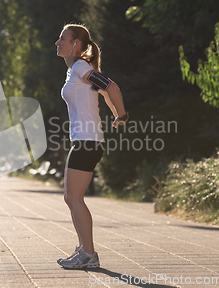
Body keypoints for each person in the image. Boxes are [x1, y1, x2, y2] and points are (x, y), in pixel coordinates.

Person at [55, 24, 128, 269]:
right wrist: (117, 114)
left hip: (87, 141)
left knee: (73, 198)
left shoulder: (80, 67)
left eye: (62, 38)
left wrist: (123, 114)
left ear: (75, 44)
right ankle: (84, 250)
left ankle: (88, 254)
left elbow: (111, 87)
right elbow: (105, 92)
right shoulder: (76, 71)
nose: (57, 42)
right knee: (71, 198)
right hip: (85, 140)